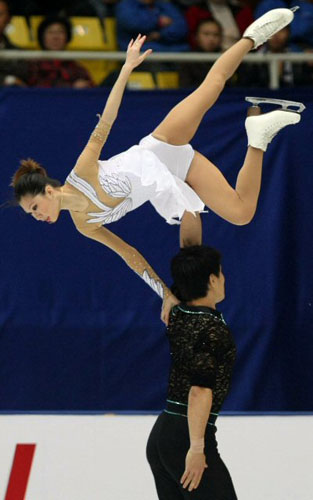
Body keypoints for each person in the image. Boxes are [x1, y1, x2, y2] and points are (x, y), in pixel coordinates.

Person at [11, 9, 302, 323]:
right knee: (241, 214)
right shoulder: (84, 224)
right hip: (171, 182)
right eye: (31, 214)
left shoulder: (81, 173)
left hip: (162, 147)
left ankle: (252, 36)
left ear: (50, 190)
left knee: (212, 86)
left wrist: (126, 68)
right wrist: (165, 294)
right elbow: (130, 255)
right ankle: (257, 137)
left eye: (35, 207)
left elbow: (107, 120)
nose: (37, 216)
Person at [147, 245, 238, 498]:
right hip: (186, 438)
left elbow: (188, 248)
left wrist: (189, 205)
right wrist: (197, 448)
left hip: (163, 435)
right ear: (211, 279)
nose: (224, 278)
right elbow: (199, 390)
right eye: (220, 273)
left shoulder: (178, 311)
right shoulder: (211, 329)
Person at [27, 16, 94, 89]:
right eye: (50, 32)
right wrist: (71, 88)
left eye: (60, 32)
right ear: (42, 37)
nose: (55, 37)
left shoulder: (76, 69)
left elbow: (92, 89)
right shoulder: (32, 67)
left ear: (67, 37)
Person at [115, 0, 189, 52]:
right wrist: (158, 21)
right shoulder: (126, 5)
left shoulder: (163, 4)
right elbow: (132, 23)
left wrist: (160, 34)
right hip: (139, 53)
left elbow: (182, 27)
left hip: (170, 49)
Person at [179, 18, 223, 88]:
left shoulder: (227, 58)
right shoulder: (188, 60)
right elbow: (185, 88)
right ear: (196, 37)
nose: (211, 39)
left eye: (216, 35)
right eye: (206, 34)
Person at [0, 0, 29, 86]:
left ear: (8, 19)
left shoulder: (17, 52)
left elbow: (21, 77)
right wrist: (7, 79)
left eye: (0, 14)